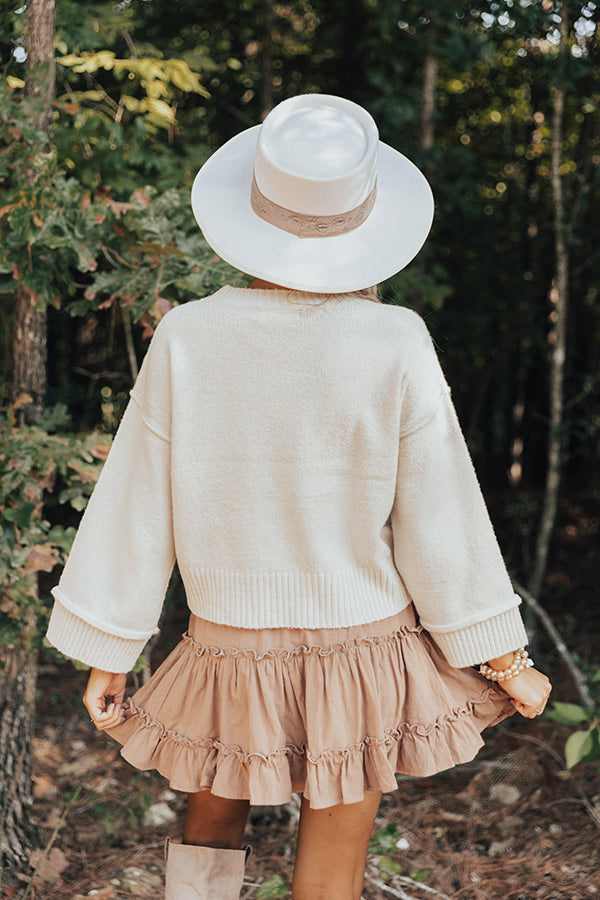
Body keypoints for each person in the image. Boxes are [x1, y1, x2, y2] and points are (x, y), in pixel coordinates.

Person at [45, 93, 552, 900]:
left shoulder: (189, 335)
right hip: (365, 651)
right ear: (365, 225)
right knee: (333, 864)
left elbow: (138, 496)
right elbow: (439, 511)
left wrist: (111, 646)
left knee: (208, 834)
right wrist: (503, 657)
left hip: (228, 646)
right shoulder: (395, 339)